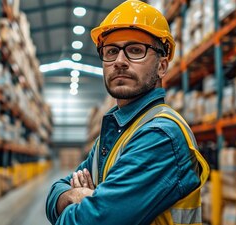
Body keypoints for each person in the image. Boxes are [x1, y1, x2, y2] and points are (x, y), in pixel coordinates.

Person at [45, 1, 210, 224]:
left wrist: (85, 204)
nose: (120, 62)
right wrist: (72, 195)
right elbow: (55, 191)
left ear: (162, 66)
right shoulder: (113, 134)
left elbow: (89, 221)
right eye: (111, 51)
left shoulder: (161, 135)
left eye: (135, 50)